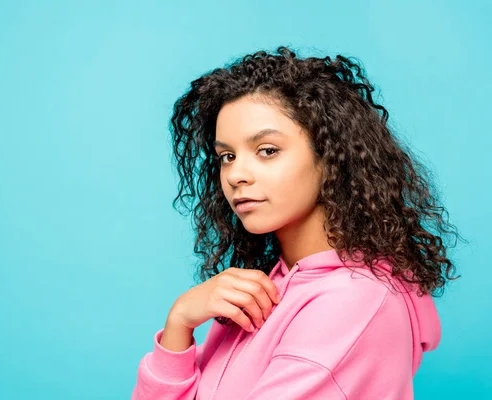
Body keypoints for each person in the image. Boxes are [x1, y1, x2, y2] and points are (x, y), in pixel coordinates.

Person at [130, 46, 463, 400]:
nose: (236, 175)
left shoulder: (351, 304)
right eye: (227, 156)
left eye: (267, 150)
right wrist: (179, 324)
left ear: (331, 157)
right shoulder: (271, 286)